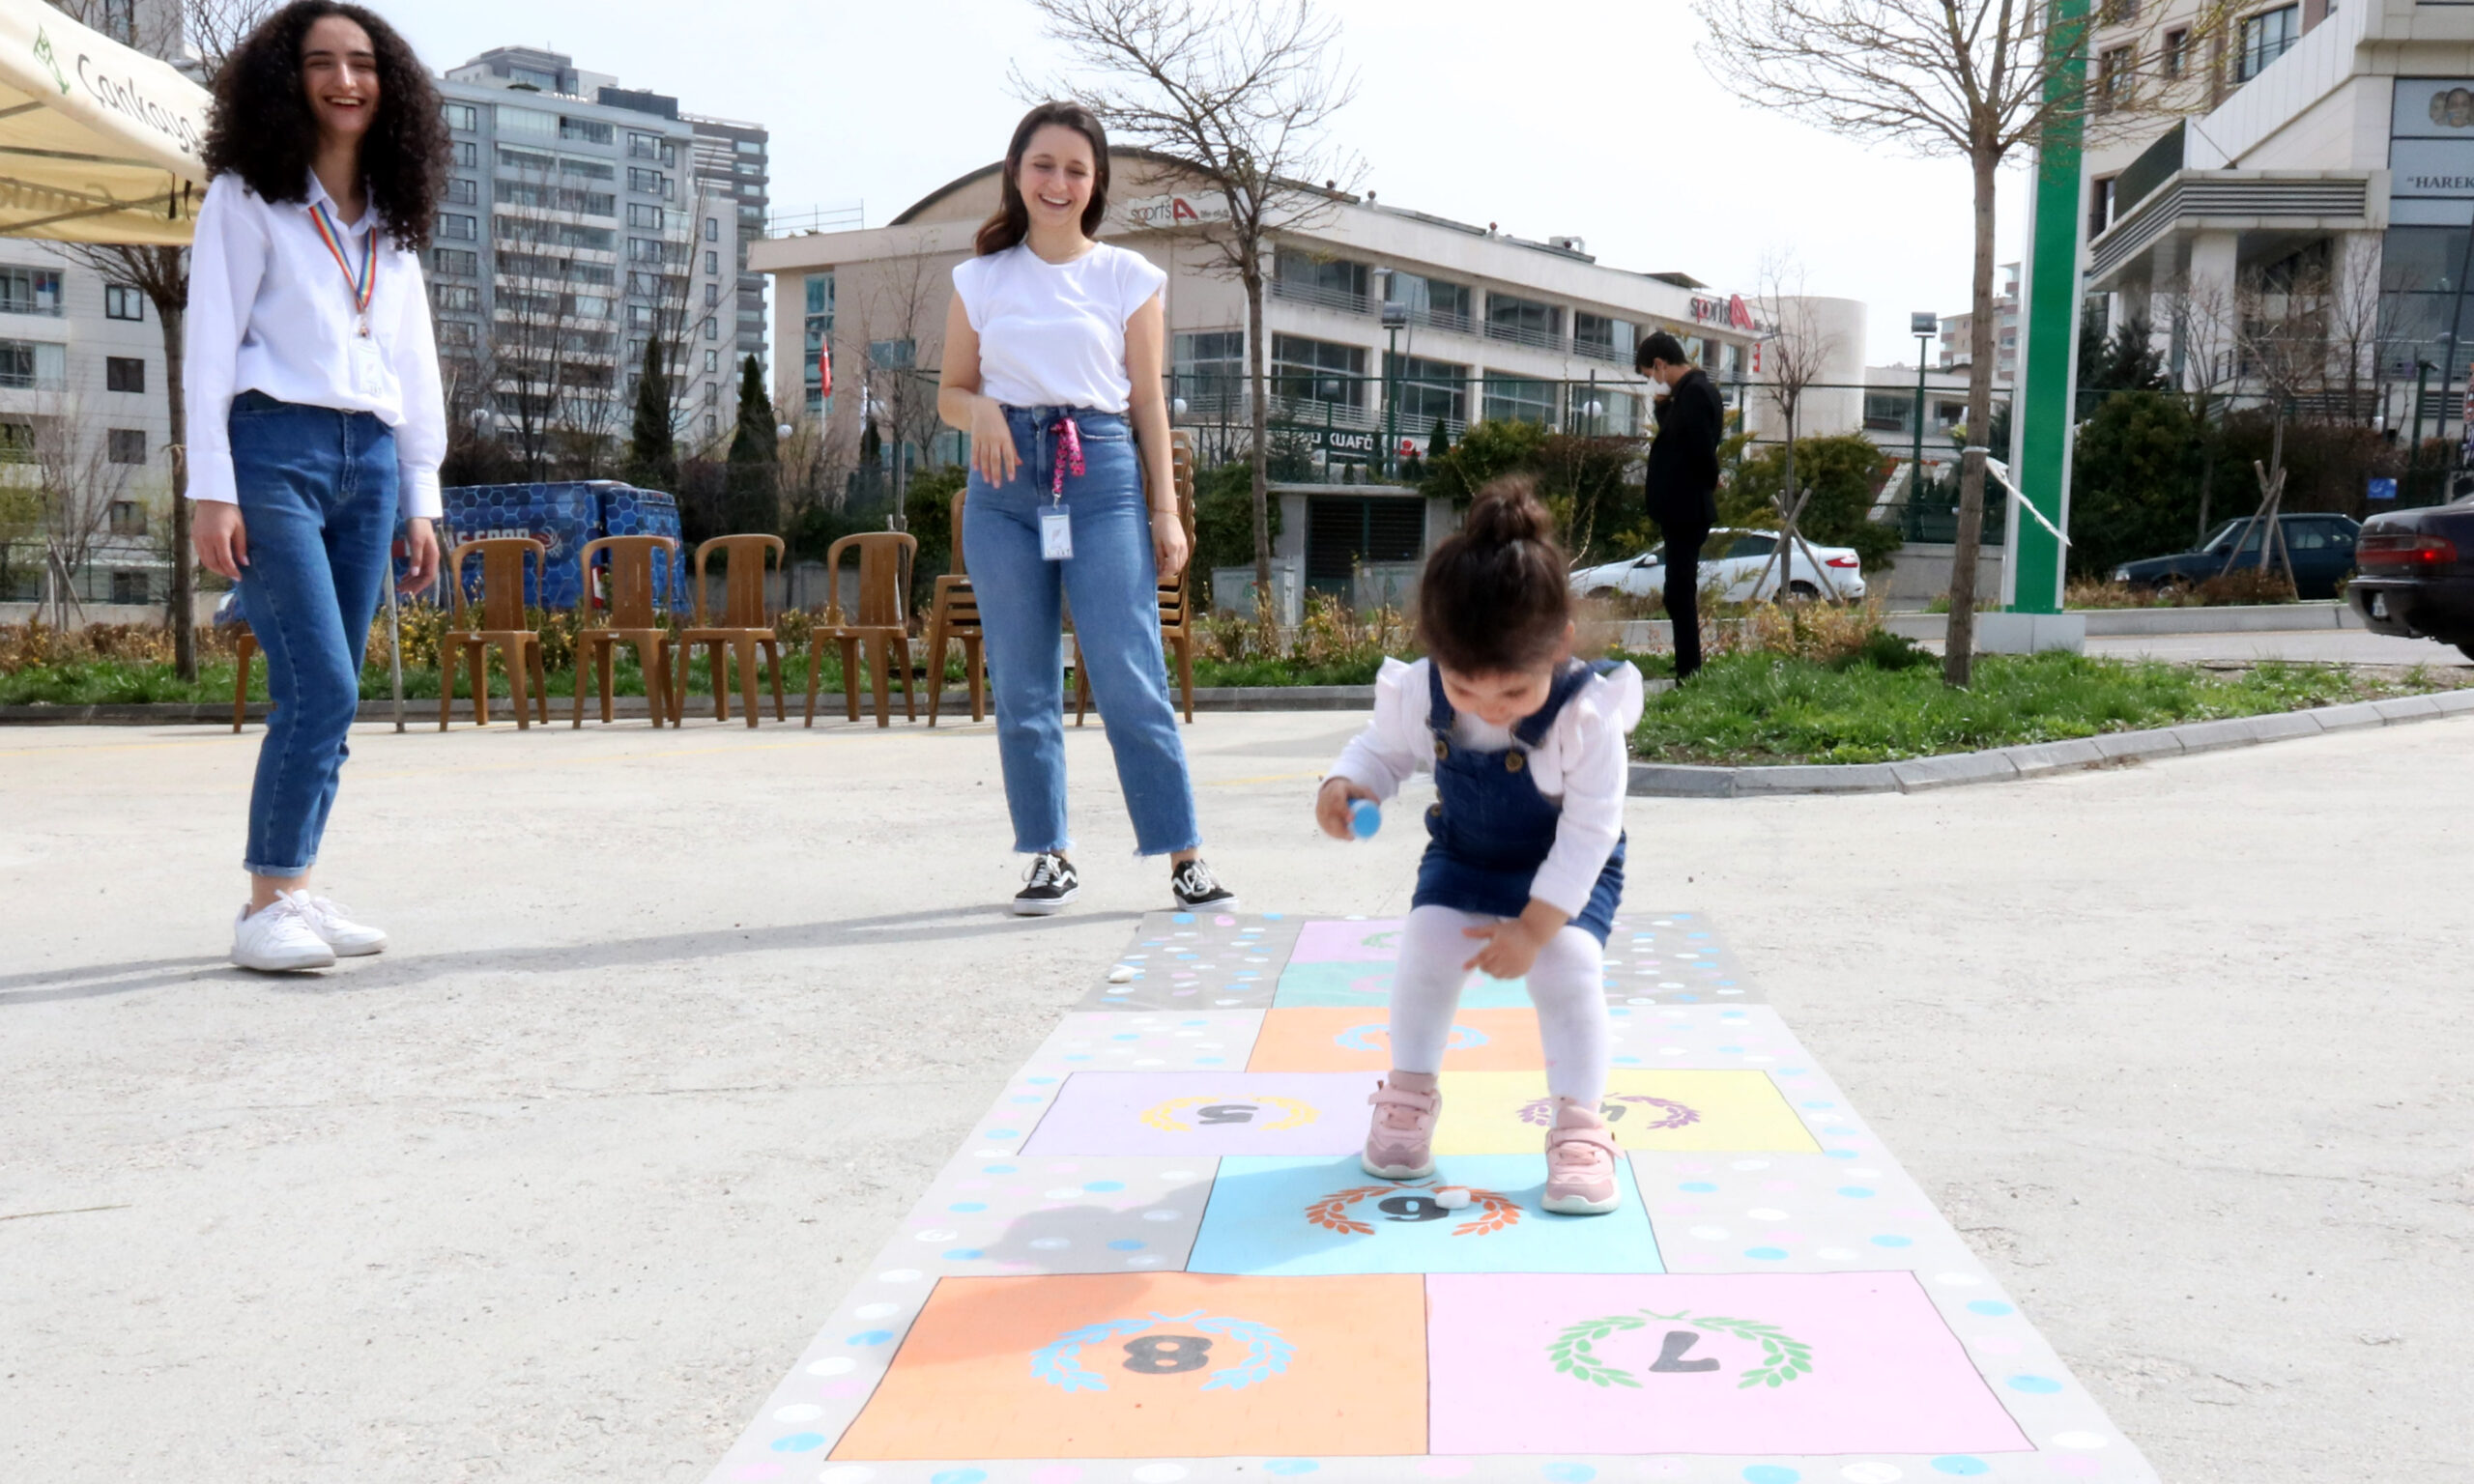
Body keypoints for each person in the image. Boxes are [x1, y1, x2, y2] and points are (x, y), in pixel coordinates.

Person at [187, 1, 446, 971]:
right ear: (284, 80)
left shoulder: (395, 217)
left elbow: (417, 362)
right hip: (273, 451)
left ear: (391, 86)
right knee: (321, 685)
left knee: (329, 692)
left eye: (364, 63)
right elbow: (209, 346)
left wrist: (423, 492)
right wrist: (213, 489)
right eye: (322, 62)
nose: (346, 79)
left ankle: (292, 885)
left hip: (370, 460)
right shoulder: (246, 199)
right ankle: (265, 907)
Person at [936, 101, 1238, 917]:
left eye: (1075, 168)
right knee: (1024, 685)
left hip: (1099, 475)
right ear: (1017, 172)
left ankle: (1185, 855)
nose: (1058, 182)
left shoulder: (1128, 278)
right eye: (1043, 165)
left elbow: (1148, 404)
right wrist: (986, 412)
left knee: (1128, 671)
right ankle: (1048, 856)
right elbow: (950, 395)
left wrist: (1166, 511)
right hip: (1002, 492)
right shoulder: (981, 278)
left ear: (1095, 181)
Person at [1313, 477, 1645, 1214]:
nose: (1488, 709)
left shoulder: (1588, 716)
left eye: (1513, 696)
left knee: (1566, 968)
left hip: (1560, 873)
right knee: (1426, 948)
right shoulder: (1423, 692)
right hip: (1464, 855)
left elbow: (1591, 833)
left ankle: (1581, 1127)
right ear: (1436, 655)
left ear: (1559, 644)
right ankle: (1408, 1095)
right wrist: (1348, 787)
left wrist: (1533, 928)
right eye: (1467, 691)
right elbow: (1383, 753)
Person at [1637, 330, 1725, 681]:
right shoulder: (1688, 395)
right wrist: (1663, 409)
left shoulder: (1695, 394)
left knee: (1679, 593)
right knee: (1677, 592)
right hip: (1682, 507)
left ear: (1660, 364)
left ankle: (1690, 672)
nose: (1653, 382)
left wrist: (1709, 479)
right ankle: (1687, 668)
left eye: (1650, 374)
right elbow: (1680, 439)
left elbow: (1700, 450)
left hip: (1686, 508)